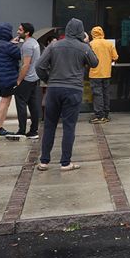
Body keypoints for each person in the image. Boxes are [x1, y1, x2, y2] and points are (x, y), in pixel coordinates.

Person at [34, 18, 97, 172]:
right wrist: (87, 42)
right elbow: (95, 63)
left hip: (54, 89)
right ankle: (65, 162)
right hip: (73, 89)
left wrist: (48, 80)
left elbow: (39, 66)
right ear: (81, 31)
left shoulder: (53, 46)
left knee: (49, 125)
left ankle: (44, 161)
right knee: (69, 127)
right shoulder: (83, 48)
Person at [14, 22, 42, 139]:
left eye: (20, 30)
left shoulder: (27, 46)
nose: (17, 31)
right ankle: (34, 131)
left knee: (21, 103)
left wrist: (19, 80)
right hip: (35, 78)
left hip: (27, 78)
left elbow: (25, 65)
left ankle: (21, 130)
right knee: (33, 105)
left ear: (27, 32)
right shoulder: (34, 42)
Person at [88, 26, 117, 124]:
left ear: (92, 34)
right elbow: (115, 57)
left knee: (97, 94)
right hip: (106, 72)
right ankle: (106, 114)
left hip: (95, 73)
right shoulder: (108, 44)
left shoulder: (90, 44)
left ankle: (99, 115)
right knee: (106, 93)